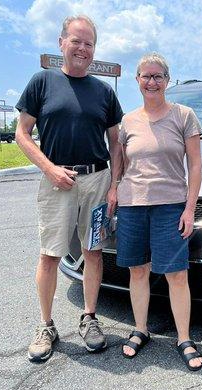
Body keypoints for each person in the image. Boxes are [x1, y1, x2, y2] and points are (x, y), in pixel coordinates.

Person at [15, 15, 123, 362]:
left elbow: (116, 143)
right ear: (62, 42)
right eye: (76, 41)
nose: (82, 48)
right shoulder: (42, 82)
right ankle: (46, 325)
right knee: (50, 254)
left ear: (94, 50)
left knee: (93, 252)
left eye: (88, 43)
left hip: (96, 181)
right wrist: (48, 168)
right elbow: (22, 134)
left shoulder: (104, 92)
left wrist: (114, 186)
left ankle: (89, 318)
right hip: (56, 181)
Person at [116, 53, 202, 371]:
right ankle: (141, 329)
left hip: (170, 206)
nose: (152, 82)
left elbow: (195, 164)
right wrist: (113, 190)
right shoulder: (127, 121)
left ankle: (184, 338)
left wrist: (190, 208)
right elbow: (120, 164)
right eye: (146, 76)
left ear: (167, 80)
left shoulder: (184, 115)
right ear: (137, 80)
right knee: (137, 271)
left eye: (158, 76)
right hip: (132, 206)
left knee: (176, 274)